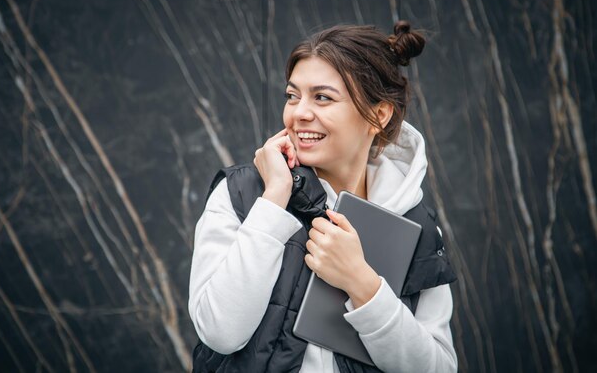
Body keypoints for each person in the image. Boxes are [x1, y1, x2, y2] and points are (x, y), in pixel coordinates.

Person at [188, 21, 458, 372]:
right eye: (292, 95)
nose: (299, 113)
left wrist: (362, 283)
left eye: (323, 97)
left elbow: (438, 368)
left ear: (378, 115)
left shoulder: (416, 226)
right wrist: (273, 200)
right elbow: (219, 333)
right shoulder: (240, 194)